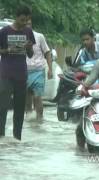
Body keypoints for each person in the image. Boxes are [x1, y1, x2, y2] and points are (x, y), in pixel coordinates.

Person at [0, 6, 35, 140]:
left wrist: (29, 47)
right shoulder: (4, 31)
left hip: (21, 74)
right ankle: (1, 137)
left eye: (26, 21)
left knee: (19, 108)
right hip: (5, 74)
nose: (24, 23)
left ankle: (17, 138)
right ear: (17, 17)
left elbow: (31, 55)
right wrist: (7, 50)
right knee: (2, 106)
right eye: (22, 20)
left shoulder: (28, 31)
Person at [25, 18, 52, 121]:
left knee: (37, 96)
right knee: (27, 98)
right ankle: (29, 120)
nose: (27, 25)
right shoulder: (19, 37)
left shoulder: (39, 37)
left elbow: (47, 52)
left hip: (38, 70)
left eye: (29, 24)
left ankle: (40, 120)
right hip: (24, 71)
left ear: (32, 25)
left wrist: (50, 69)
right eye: (25, 24)